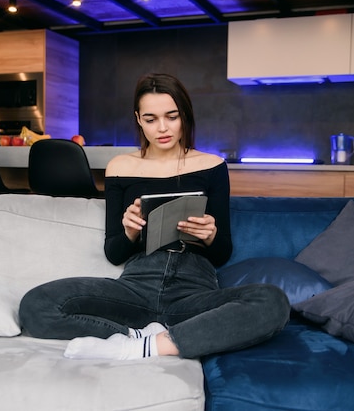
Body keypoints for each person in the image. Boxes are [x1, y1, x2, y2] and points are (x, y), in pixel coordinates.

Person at [19, 73, 290, 360]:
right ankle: (142, 338)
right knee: (36, 304)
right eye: (150, 119)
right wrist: (129, 232)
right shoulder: (120, 167)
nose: (162, 128)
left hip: (194, 290)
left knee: (272, 301)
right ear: (138, 119)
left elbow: (222, 253)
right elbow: (113, 252)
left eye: (171, 117)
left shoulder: (212, 166)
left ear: (184, 114)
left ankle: (140, 346)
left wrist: (211, 236)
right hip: (136, 286)